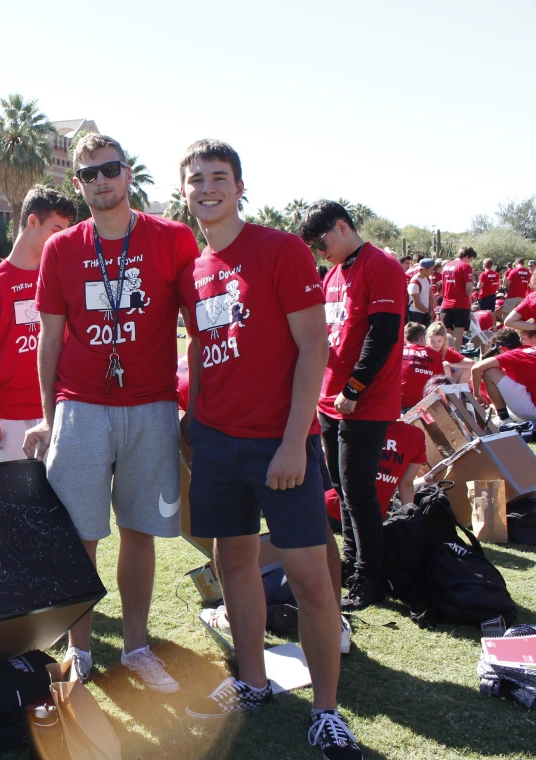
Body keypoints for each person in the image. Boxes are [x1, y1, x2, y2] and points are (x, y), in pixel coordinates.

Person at [174, 142, 361, 758]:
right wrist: (193, 424)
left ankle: (327, 710)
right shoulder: (194, 269)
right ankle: (252, 682)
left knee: (310, 577)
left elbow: (313, 348)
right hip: (217, 443)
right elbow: (203, 352)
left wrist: (291, 443)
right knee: (233, 565)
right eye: (196, 179)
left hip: (281, 445)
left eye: (219, 177)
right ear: (185, 191)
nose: (207, 187)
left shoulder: (279, 249)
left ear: (239, 185)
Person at [23, 133, 196, 693]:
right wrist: (50, 415)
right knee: (80, 536)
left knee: (138, 530)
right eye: (89, 174)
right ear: (79, 184)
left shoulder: (172, 238)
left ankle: (139, 646)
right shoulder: (63, 248)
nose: (101, 180)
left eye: (110, 170)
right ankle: (80, 649)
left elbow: (198, 329)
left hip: (151, 405)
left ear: (128, 175)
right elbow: (49, 340)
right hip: (81, 407)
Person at [300, 199, 405, 613]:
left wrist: (356, 389)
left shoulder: (381, 265)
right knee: (342, 491)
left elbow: (383, 336)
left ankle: (369, 577)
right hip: (331, 400)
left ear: (341, 227)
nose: (317, 249)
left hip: (363, 402)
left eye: (319, 240)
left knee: (360, 491)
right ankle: (350, 562)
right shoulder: (335, 274)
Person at [0, 185, 75, 464]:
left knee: (55, 503)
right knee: (7, 504)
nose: (62, 239)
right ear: (32, 221)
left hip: (56, 411)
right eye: (57, 230)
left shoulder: (60, 279)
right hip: (8, 417)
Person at [472, 327, 536, 422]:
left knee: (490, 372)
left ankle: (505, 420)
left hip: (532, 411)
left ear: (501, 348)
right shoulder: (532, 348)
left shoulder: (512, 355)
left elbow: (476, 368)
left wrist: (477, 395)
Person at [440, 247, 477, 347]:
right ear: (467, 257)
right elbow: (469, 288)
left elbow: (443, 285)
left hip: (446, 303)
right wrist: (469, 302)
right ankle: (455, 356)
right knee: (458, 334)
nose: (470, 261)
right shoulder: (465, 266)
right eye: (471, 259)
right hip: (460, 304)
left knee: (447, 333)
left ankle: (445, 354)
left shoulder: (446, 266)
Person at [406, 258, 434, 326]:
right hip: (415, 314)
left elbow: (430, 296)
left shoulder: (427, 279)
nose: (433, 272)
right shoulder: (414, 283)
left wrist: (431, 309)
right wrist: (428, 311)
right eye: (431, 269)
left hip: (425, 313)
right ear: (424, 269)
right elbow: (417, 304)